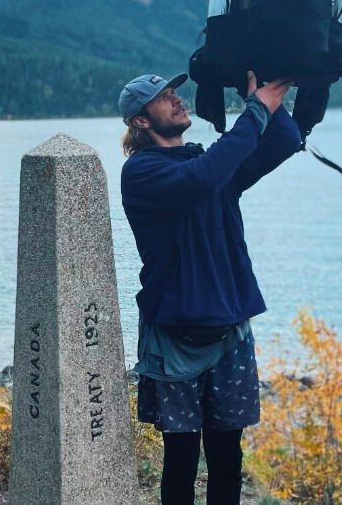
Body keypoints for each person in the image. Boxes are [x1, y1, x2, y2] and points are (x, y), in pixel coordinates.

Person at [118, 71, 301, 504]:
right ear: (141, 122)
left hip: (230, 331)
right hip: (174, 336)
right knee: (180, 458)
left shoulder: (206, 164)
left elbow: (284, 142)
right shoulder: (142, 172)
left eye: (174, 93)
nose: (177, 101)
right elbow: (200, 179)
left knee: (227, 457)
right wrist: (256, 111)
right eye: (164, 99)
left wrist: (254, 93)